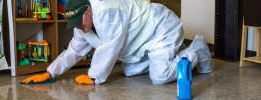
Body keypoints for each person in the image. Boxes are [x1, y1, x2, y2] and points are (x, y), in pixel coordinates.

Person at [22, 0, 212, 85]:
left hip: (160, 28)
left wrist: (94, 76)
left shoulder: (107, 12)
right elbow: (75, 49)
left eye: (80, 21)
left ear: (88, 11)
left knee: (160, 77)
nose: (79, 27)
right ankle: (171, 56)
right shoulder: (82, 25)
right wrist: (50, 72)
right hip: (143, 39)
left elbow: (109, 47)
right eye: (74, 24)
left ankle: (196, 47)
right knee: (129, 71)